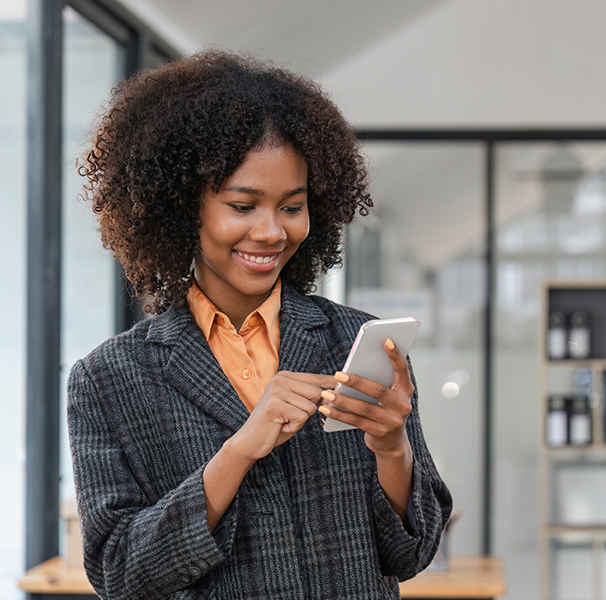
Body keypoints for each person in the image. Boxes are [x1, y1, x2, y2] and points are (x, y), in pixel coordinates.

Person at [67, 50, 452, 600]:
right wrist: (237, 452)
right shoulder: (109, 379)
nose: (271, 232)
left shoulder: (361, 344)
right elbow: (119, 574)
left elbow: (411, 553)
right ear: (183, 207)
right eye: (243, 206)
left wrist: (393, 448)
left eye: (292, 207)